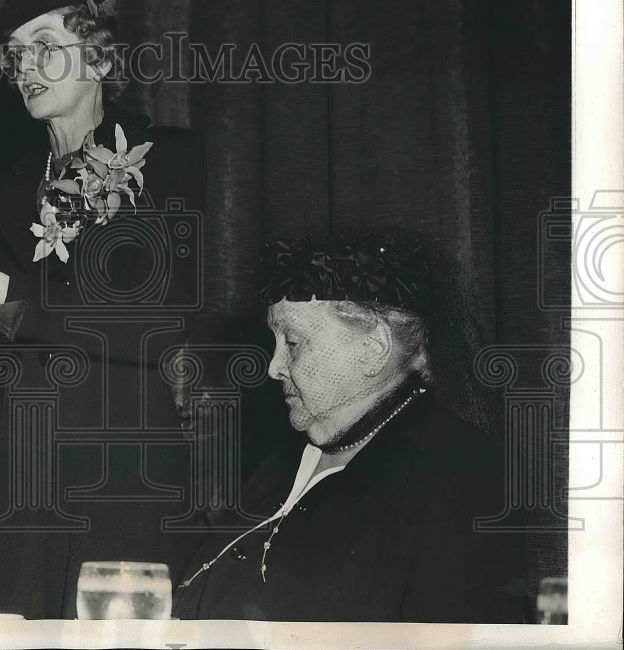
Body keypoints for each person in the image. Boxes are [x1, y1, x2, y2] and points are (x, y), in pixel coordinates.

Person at [0, 0, 208, 618]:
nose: (24, 70)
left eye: (44, 46)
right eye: (14, 57)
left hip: (124, 468)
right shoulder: (6, 193)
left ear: (97, 57)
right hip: (22, 470)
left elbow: (161, 321)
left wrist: (7, 299)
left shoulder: (166, 162)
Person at [173, 232, 528, 622]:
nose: (273, 366)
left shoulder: (459, 476)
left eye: (292, 342)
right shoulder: (286, 456)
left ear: (372, 350)